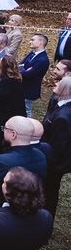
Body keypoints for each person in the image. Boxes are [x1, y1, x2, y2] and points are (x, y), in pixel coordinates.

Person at [41, 76, 71, 218]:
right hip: (53, 157)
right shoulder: (59, 104)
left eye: (60, 83)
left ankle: (46, 218)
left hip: (54, 163)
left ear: (66, 91)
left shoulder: (62, 118)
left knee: (50, 191)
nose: (56, 82)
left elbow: (57, 147)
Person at [0, 55, 27, 154]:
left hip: (7, 114)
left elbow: (2, 99)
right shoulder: (17, 79)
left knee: (1, 133)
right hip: (18, 112)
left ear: (3, 66)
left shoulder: (6, 82)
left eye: (0, 61)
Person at [19, 34, 50, 117]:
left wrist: (23, 70)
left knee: (26, 110)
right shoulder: (32, 53)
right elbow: (21, 65)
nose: (30, 42)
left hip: (29, 89)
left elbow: (28, 74)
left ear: (40, 43)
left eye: (32, 40)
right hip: (22, 86)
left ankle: (27, 128)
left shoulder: (43, 60)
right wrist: (24, 69)